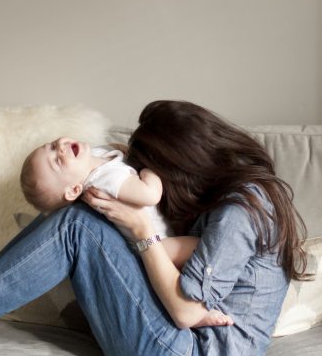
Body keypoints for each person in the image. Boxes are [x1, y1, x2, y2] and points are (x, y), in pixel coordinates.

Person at [0, 100, 307, 356]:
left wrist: (140, 227)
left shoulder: (241, 210)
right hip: (181, 344)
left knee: (79, 226)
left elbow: (187, 313)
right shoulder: (230, 199)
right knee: (82, 214)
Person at [20, 137, 234, 328]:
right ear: (75, 190)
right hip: (152, 245)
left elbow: (118, 151)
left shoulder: (94, 157)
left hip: (155, 236)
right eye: (57, 161)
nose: (59, 148)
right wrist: (148, 168)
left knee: (190, 271)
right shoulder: (104, 181)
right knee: (201, 247)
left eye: (49, 146)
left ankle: (204, 305)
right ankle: (199, 315)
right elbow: (150, 194)